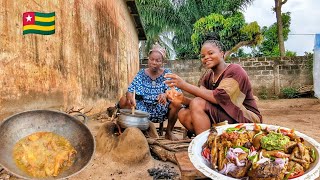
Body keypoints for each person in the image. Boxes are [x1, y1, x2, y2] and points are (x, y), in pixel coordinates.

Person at [164, 37, 262, 136]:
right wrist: (181, 99)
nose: (206, 57)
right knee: (183, 114)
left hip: (246, 119)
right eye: (202, 56)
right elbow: (202, 103)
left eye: (210, 53)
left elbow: (219, 98)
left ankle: (205, 147)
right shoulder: (208, 77)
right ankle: (211, 141)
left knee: (197, 103)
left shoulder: (235, 70)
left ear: (222, 53)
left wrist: (183, 85)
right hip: (226, 115)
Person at [118, 43, 180, 141]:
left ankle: (168, 132)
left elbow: (176, 92)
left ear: (162, 62)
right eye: (151, 59)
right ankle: (134, 130)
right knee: (123, 100)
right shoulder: (141, 74)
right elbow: (130, 91)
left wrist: (166, 95)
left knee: (177, 103)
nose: (154, 62)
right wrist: (130, 99)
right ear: (148, 59)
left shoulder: (167, 73)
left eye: (158, 60)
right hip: (142, 110)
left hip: (161, 109)